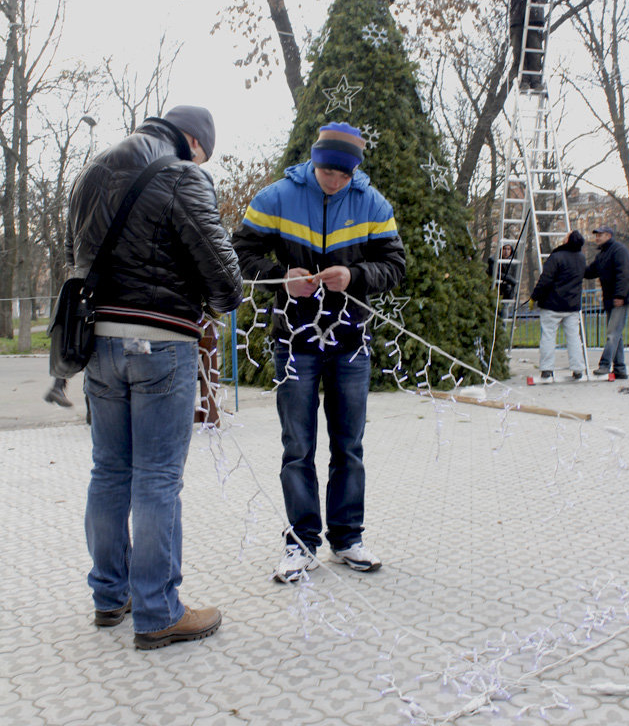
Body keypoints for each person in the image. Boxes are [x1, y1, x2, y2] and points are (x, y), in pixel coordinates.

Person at [65, 105, 243, 649]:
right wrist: (215, 298)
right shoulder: (183, 175)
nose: (202, 161)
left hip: (99, 343)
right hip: (162, 343)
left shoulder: (93, 171)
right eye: (204, 152)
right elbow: (223, 276)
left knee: (109, 470)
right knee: (158, 477)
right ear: (192, 140)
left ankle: (108, 596)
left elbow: (78, 254)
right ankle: (159, 610)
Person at [232, 122, 406, 583]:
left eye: (344, 175)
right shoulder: (276, 197)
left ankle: (348, 538)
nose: (334, 181)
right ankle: (300, 543)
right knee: (298, 446)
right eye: (328, 170)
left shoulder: (373, 204)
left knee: (349, 445)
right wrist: (279, 274)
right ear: (314, 160)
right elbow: (238, 254)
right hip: (293, 342)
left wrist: (356, 277)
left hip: (351, 342)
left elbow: (395, 265)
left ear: (355, 173)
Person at [530, 230, 586, 381]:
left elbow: (545, 280)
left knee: (548, 337)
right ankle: (578, 369)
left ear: (567, 241)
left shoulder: (556, 257)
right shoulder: (581, 258)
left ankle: (547, 369)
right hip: (572, 306)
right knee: (574, 338)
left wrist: (534, 297)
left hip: (552, 305)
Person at [584, 225, 629, 379]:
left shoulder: (619, 250)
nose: (596, 238)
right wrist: (575, 265)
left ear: (608, 235)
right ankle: (620, 369)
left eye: (599, 235)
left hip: (620, 298)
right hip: (611, 299)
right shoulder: (602, 255)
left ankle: (605, 365)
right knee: (616, 334)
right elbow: (591, 272)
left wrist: (620, 295)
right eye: (596, 235)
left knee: (612, 333)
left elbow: (625, 273)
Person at [494, 0, 548, 90]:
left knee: (534, 50)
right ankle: (523, 80)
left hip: (533, 18)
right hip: (517, 19)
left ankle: (536, 81)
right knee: (518, 51)